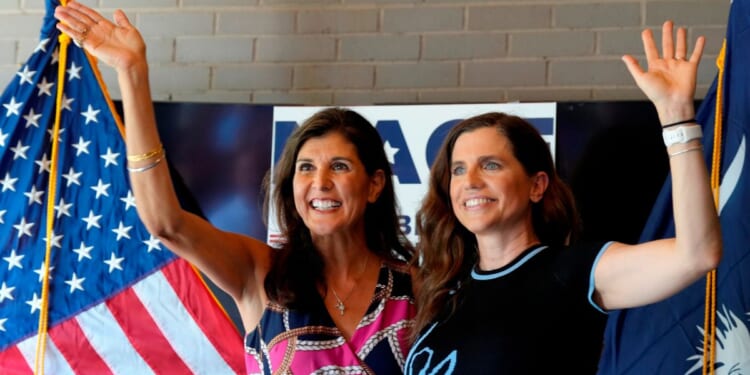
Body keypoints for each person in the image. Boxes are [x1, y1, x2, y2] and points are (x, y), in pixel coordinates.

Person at [54, 2, 416, 374]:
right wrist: (132, 73)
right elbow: (167, 225)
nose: (319, 183)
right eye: (305, 168)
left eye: (339, 167)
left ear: (374, 186)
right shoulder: (260, 272)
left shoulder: (419, 287)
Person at [405, 20, 722, 374]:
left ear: (537, 185)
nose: (471, 181)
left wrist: (677, 118)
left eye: (490, 165)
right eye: (459, 170)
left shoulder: (574, 271)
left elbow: (697, 254)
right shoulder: (446, 291)